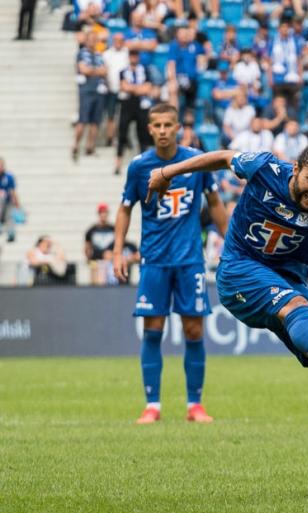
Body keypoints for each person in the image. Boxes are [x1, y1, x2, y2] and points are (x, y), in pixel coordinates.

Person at [145, 125, 308, 495]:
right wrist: (166, 172)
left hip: (288, 281)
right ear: (295, 167)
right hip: (239, 272)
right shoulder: (264, 167)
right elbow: (223, 157)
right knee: (306, 318)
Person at [113, 103, 229, 425]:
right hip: (154, 260)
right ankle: (153, 405)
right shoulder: (139, 167)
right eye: (157, 125)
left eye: (168, 125)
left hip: (190, 259)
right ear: (149, 129)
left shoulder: (195, 160)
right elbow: (125, 208)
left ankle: (195, 405)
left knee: (194, 329)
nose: (163, 130)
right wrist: (117, 251)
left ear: (178, 127)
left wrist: (231, 243)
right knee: (153, 330)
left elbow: (215, 202)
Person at [73, 31, 108, 161]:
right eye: (91, 39)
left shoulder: (99, 55)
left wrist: (93, 71)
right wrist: (97, 71)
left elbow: (105, 71)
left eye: (95, 39)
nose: (93, 42)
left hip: (99, 91)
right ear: (86, 40)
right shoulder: (81, 53)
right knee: (83, 119)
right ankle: (76, 145)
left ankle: (90, 146)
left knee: (95, 121)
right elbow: (84, 70)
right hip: (86, 91)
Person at [85, 203, 116, 285]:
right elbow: (87, 245)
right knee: (95, 284)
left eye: (105, 212)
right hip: (95, 261)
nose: (103, 215)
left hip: (110, 262)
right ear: (99, 214)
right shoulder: (92, 230)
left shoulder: (113, 229)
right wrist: (88, 257)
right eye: (101, 212)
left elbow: (119, 244)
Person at [0, 158, 21, 243]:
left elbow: (12, 191)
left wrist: (17, 203)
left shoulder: (8, 176)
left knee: (10, 215)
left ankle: (11, 233)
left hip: (8, 201)